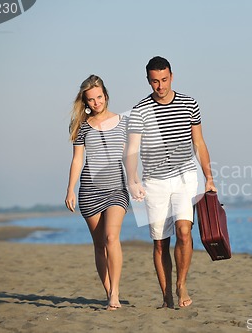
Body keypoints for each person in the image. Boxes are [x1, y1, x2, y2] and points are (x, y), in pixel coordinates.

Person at [125, 56, 217, 309]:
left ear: (172, 76)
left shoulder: (189, 103)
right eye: (155, 81)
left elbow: (199, 142)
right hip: (154, 182)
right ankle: (166, 295)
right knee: (160, 242)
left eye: (164, 80)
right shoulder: (140, 110)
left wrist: (209, 178)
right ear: (148, 80)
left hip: (186, 176)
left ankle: (181, 284)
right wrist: (132, 180)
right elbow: (131, 149)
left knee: (184, 232)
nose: (160, 86)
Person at [65, 75, 129, 311]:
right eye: (91, 99)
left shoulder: (123, 122)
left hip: (117, 190)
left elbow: (128, 157)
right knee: (99, 244)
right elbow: (77, 159)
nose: (96, 102)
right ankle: (107, 290)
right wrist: (70, 189)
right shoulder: (80, 126)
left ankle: (115, 293)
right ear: (85, 101)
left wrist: (135, 181)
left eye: (99, 97)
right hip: (89, 191)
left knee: (112, 238)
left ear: (106, 95)